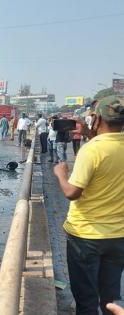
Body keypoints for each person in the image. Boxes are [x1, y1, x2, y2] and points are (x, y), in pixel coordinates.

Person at [53, 96, 124, 315]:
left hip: (85, 237)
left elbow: (72, 193)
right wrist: (90, 134)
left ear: (97, 118)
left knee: (86, 301)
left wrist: (61, 174)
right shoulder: (101, 146)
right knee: (111, 301)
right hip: (118, 237)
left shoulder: (91, 150)